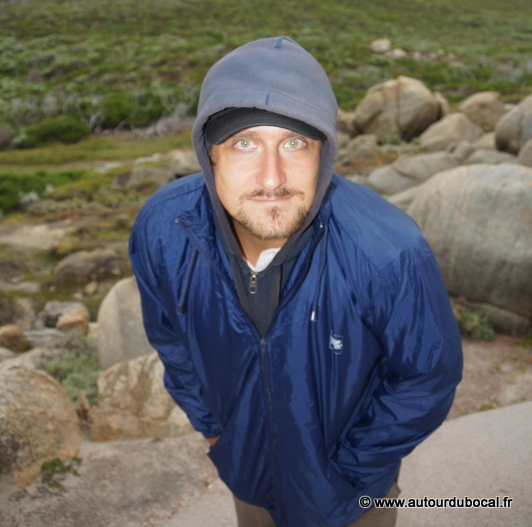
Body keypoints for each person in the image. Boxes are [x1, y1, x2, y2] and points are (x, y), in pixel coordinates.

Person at [129, 36, 462, 527]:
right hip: (249, 482)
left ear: (323, 153)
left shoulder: (387, 251)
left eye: (295, 143)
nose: (272, 178)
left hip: (350, 498)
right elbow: (170, 339)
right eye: (244, 143)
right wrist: (216, 431)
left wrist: (351, 470)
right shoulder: (165, 230)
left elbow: (428, 374)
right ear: (209, 153)